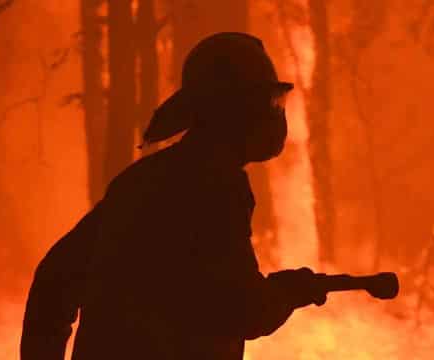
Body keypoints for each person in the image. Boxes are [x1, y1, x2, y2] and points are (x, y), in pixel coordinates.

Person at [21, 32, 327, 360]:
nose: (275, 114)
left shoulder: (144, 180)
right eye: (267, 103)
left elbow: (54, 280)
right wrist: (291, 291)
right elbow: (242, 309)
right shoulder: (211, 187)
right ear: (234, 110)